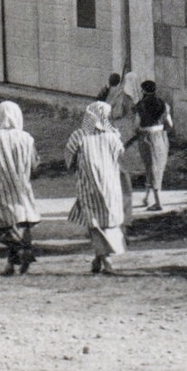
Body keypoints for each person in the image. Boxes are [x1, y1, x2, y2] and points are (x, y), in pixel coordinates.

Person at [66, 100, 127, 274]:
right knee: (108, 221)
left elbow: (69, 161)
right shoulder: (112, 137)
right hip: (110, 186)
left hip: (88, 185)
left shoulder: (78, 136)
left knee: (94, 222)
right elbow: (120, 156)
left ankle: (105, 260)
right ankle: (100, 259)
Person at [0, 100, 41, 275]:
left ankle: (18, 254)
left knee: (4, 224)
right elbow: (35, 165)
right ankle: (19, 256)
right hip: (22, 186)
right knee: (23, 221)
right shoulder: (27, 139)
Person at [134, 79, 173, 211]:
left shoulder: (140, 105)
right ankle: (147, 197)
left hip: (147, 138)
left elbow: (136, 125)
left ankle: (158, 202)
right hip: (161, 137)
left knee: (150, 167)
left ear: (143, 91)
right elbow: (170, 125)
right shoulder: (164, 105)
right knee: (157, 167)